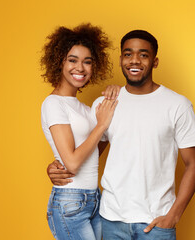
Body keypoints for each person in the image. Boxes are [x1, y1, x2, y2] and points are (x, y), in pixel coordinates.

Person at [48, 30, 195, 240]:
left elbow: (193, 164)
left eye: (144, 55)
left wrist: (174, 215)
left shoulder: (178, 105)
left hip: (156, 222)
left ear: (155, 61)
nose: (135, 60)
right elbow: (87, 154)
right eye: (128, 54)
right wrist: (57, 166)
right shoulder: (105, 105)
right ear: (121, 60)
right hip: (110, 220)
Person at [41, 23, 118, 240]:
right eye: (72, 60)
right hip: (70, 201)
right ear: (59, 62)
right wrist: (101, 125)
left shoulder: (85, 109)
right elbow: (73, 164)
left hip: (94, 199)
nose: (80, 68)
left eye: (87, 62)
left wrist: (116, 90)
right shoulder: (53, 103)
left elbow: (93, 151)